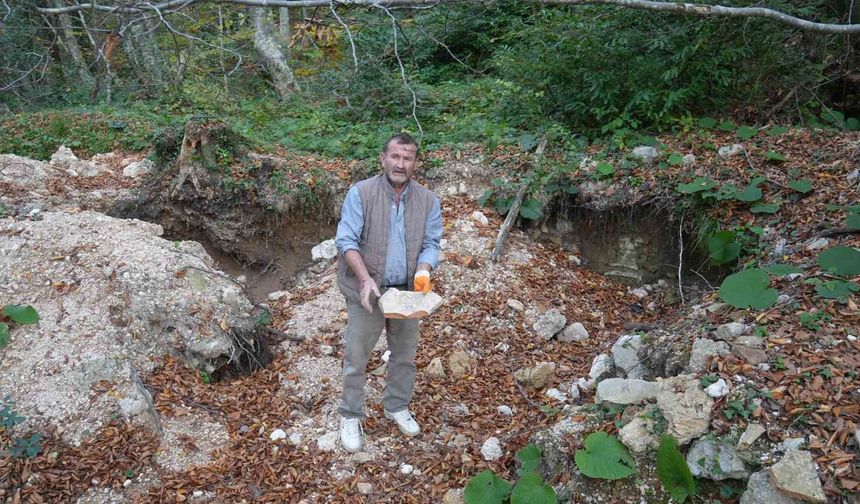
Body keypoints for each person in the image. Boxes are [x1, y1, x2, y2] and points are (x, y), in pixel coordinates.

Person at [334, 132, 443, 453]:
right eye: (395, 156)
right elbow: (346, 242)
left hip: (407, 292)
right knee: (357, 356)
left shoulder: (428, 200)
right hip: (366, 290)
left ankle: (396, 405)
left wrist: (424, 270)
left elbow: (431, 244)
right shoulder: (361, 193)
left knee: (405, 356)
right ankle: (351, 414)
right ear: (383, 158)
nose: (400, 163)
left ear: (415, 163)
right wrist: (365, 279)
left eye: (407, 158)